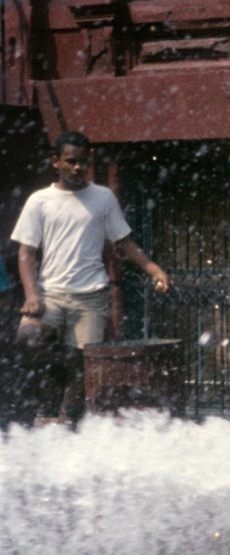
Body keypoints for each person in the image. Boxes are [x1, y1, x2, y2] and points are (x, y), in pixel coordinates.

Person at [10, 131, 172, 423]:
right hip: (51, 294)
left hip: (92, 296)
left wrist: (153, 269)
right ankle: (58, 374)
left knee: (84, 366)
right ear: (55, 162)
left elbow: (124, 242)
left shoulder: (103, 197)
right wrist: (32, 294)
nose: (77, 168)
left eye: (83, 162)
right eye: (71, 161)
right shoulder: (40, 201)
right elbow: (26, 252)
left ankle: (66, 422)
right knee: (29, 337)